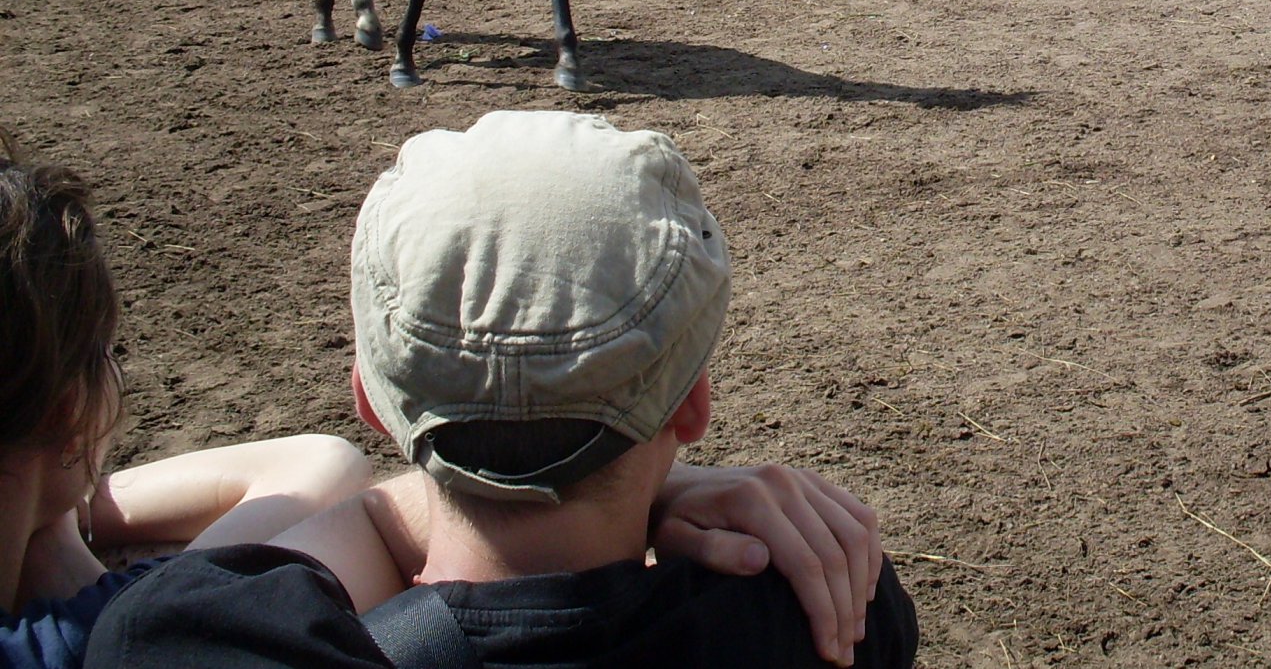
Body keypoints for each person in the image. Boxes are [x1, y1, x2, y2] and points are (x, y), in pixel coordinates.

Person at [81, 110, 919, 669]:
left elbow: (365, 518)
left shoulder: (177, 639)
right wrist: (647, 490)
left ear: (372, 402)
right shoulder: (832, 612)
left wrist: (386, 508)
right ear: (693, 405)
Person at [0, 130, 374, 669]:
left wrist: (39, 508)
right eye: (109, 352)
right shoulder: (99, 636)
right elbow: (324, 461)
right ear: (71, 410)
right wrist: (54, 522)